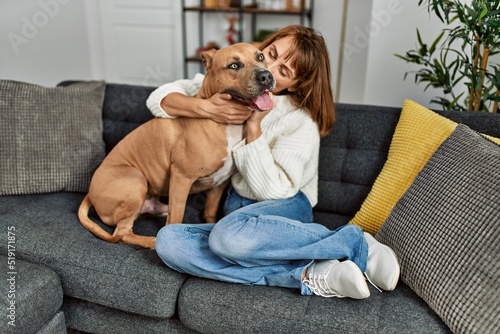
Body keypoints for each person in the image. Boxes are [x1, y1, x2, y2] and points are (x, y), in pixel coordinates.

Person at [147, 25, 400, 299]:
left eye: (284, 71)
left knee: (227, 238)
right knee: (168, 242)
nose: (266, 70)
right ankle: (306, 274)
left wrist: (254, 127)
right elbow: (158, 99)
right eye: (269, 55)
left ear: (297, 84)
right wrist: (204, 107)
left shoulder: (298, 121)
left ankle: (357, 242)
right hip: (238, 212)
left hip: (287, 206)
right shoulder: (232, 79)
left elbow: (274, 191)